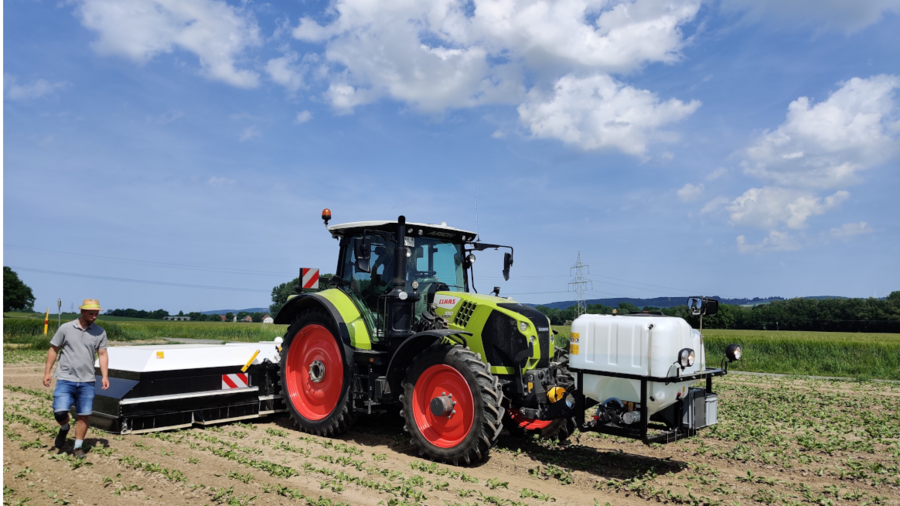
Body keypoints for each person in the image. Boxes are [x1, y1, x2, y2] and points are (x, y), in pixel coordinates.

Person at [43, 299, 110, 459]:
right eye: (91, 313)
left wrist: (105, 376)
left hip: (87, 380)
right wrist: (47, 372)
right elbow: (54, 349)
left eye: (96, 314)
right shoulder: (66, 328)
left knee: (83, 414)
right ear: (82, 312)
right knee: (59, 412)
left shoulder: (100, 332)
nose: (94, 316)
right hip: (65, 378)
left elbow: (102, 354)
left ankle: (78, 446)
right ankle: (65, 428)